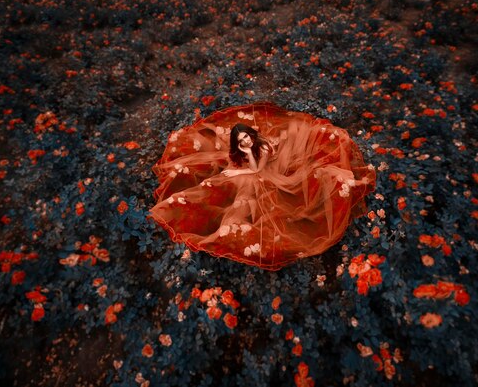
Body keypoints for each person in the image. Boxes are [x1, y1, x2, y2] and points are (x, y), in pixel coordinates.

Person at [148, 101, 376, 271]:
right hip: (256, 168)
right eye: (241, 141)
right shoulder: (243, 149)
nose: (246, 142)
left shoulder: (262, 147)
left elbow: (257, 170)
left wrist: (244, 159)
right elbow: (238, 162)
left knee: (258, 186)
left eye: (247, 137)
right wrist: (236, 165)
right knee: (224, 182)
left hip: (269, 170)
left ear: (252, 135)